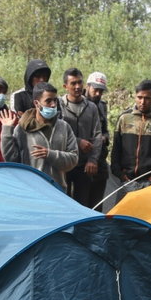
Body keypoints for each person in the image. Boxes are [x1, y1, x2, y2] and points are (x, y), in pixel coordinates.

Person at [0, 82, 78, 191]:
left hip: (58, 191)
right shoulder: (22, 128)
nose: (53, 105)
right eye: (48, 101)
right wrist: (7, 131)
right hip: (31, 191)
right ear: (37, 103)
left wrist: (50, 154)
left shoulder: (64, 127)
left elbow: (73, 158)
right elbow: (11, 159)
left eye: (55, 100)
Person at [110, 80, 151, 200]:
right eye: (139, 97)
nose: (142, 102)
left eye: (147, 98)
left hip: (150, 183)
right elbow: (116, 151)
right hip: (126, 182)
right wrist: (121, 175)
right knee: (122, 216)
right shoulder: (124, 119)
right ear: (135, 96)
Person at [60, 68, 102, 208]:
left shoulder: (91, 107)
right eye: (73, 83)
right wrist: (78, 142)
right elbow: (57, 132)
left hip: (84, 165)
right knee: (62, 204)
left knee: (82, 205)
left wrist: (93, 159)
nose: (77, 87)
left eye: (80, 82)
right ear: (65, 86)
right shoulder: (58, 106)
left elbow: (97, 135)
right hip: (63, 164)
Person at [86, 72, 110, 209]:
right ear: (88, 86)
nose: (98, 94)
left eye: (101, 91)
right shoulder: (79, 103)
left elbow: (106, 130)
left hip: (100, 158)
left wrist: (104, 137)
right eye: (95, 90)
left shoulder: (102, 106)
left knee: (98, 203)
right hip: (83, 159)